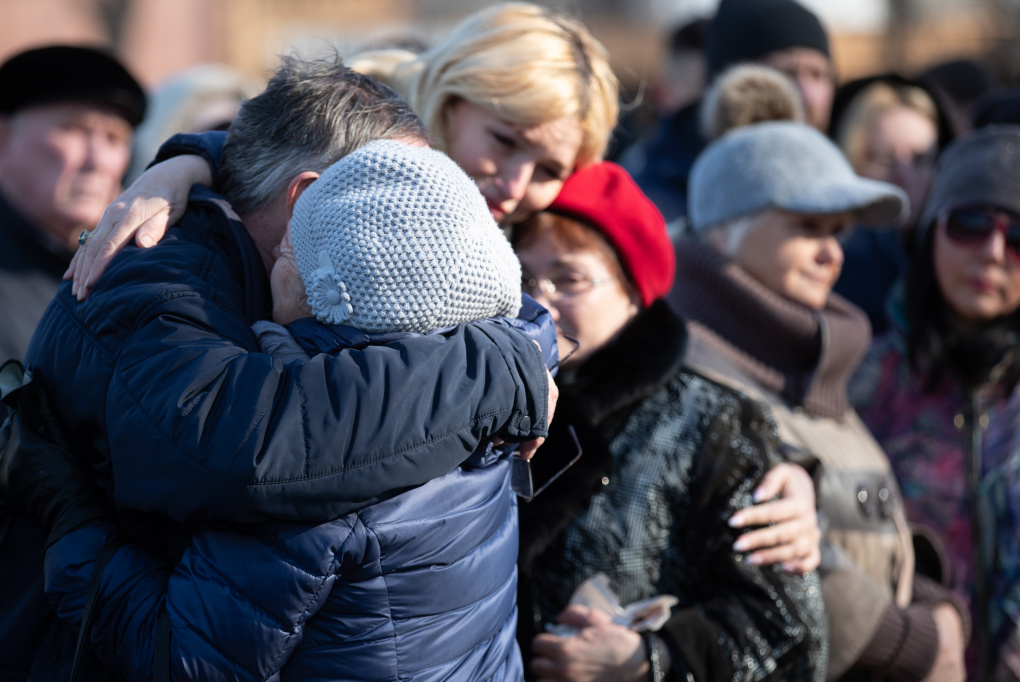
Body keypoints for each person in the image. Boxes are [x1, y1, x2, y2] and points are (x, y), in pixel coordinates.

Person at [68, 2, 819, 573]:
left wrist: (776, 456)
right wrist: (188, 163)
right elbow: (278, 152)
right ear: (450, 99)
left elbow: (646, 344)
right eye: (503, 138)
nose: (518, 182)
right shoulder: (365, 153)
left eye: (551, 166)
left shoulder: (527, 235)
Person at [2, 55, 553, 681]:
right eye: (389, 188)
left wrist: (197, 154)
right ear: (308, 197)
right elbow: (252, 448)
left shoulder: (346, 306)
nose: (414, 219)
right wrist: (501, 366)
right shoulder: (154, 286)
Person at [669, 120, 969, 681]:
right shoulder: (695, 375)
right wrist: (917, 641)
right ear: (723, 230)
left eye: (838, 231)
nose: (832, 254)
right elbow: (765, 550)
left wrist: (932, 600)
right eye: (807, 226)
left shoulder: (805, 358)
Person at [513, 161, 827, 682]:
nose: (539, 301)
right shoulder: (486, 400)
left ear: (633, 293)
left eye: (568, 279)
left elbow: (786, 625)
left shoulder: (713, 420)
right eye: (523, 276)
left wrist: (650, 660)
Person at [850, 125, 1020, 680]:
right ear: (930, 233)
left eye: (1018, 236)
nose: (993, 252)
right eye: (970, 223)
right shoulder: (862, 381)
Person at [622, 0, 835, 224]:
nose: (808, 96)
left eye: (819, 75)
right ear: (735, 84)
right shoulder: (655, 201)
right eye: (787, 73)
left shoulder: (840, 182)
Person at [0, 44, 145, 362]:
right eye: (76, 129)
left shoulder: (137, 271)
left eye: (115, 139)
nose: (99, 161)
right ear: (4, 138)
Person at [830, 75, 953, 334]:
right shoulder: (829, 262)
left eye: (920, 160)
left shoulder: (960, 251)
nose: (904, 177)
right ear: (850, 160)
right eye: (884, 158)